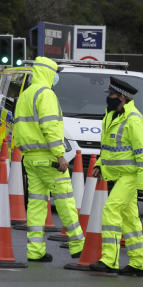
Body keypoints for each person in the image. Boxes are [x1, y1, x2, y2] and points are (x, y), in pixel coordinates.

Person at [13, 56, 85, 262]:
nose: (56, 78)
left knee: (36, 206)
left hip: (30, 158)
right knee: (65, 201)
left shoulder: (26, 95)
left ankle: (35, 251)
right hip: (49, 159)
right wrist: (60, 155)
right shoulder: (46, 95)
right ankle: (78, 245)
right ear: (48, 73)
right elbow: (50, 126)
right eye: (55, 74)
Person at [89, 76, 143, 277]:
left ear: (123, 98)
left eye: (112, 95)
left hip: (130, 176)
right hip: (119, 176)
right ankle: (139, 263)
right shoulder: (111, 116)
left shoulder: (133, 120)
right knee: (131, 220)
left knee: (110, 210)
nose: (109, 97)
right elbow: (108, 148)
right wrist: (100, 164)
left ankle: (109, 260)